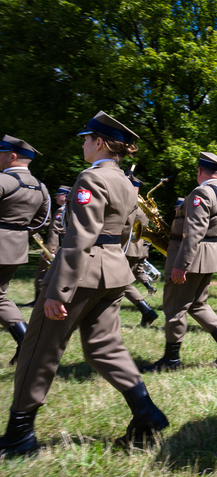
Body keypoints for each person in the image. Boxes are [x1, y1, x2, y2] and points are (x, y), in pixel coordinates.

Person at [0, 113, 167, 457]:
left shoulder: (91, 178)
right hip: (114, 272)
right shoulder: (124, 180)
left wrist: (58, 291)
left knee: (39, 352)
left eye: (87, 138)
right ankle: (145, 410)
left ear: (100, 143)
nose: (83, 143)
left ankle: (19, 436)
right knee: (105, 347)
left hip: (82, 273)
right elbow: (122, 233)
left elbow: (78, 239)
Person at [141, 152, 217, 372]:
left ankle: (171, 360)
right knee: (197, 304)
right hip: (207, 256)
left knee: (175, 307)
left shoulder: (201, 192)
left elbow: (194, 231)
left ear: (199, 171)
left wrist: (181, 264)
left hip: (190, 256)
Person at [0, 135, 50, 366]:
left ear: (11, 156)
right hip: (16, 249)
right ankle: (27, 344)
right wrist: (17, 236)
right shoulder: (41, 188)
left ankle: (28, 344)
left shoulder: (3, 181)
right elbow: (41, 222)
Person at [121, 175, 159, 327]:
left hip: (127, 247)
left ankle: (146, 311)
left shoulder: (130, 202)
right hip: (138, 248)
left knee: (121, 282)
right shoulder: (143, 205)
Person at [32, 185, 70, 304]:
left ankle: (39, 300)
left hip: (57, 248)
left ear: (66, 196)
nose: (56, 197)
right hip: (66, 247)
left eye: (59, 195)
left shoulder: (61, 210)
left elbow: (56, 232)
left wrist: (50, 250)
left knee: (42, 273)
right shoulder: (72, 209)